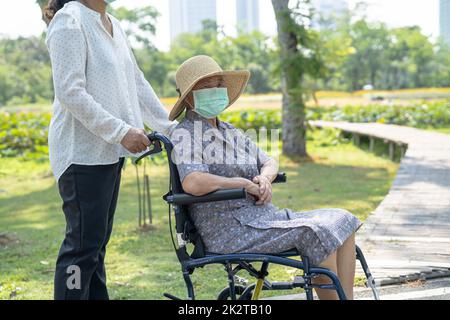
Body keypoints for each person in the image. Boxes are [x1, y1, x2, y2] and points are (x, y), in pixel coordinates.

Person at [169, 55, 363, 300]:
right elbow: (193, 181)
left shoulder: (229, 130)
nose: (216, 90)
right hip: (228, 228)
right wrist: (241, 183)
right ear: (188, 96)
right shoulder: (185, 133)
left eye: (219, 84)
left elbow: (269, 161)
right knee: (313, 231)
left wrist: (263, 179)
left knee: (342, 219)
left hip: (262, 217)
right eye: (207, 87)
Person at [44, 0, 176, 299]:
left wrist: (171, 129)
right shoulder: (69, 21)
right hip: (81, 154)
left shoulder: (113, 23)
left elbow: (137, 83)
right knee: (81, 248)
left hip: (108, 153)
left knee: (96, 246)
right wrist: (121, 131)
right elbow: (70, 91)